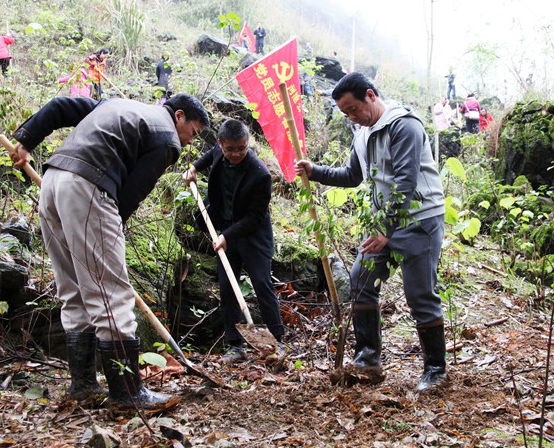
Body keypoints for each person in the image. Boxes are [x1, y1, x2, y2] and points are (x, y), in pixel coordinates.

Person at [9, 94, 210, 410]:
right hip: (88, 187)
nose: (189, 142)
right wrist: (111, 231)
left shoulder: (115, 105)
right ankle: (127, 393)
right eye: (193, 133)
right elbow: (130, 194)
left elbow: (60, 106)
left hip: (53, 182)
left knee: (74, 290)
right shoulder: (167, 138)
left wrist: (26, 141)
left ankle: (83, 385)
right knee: (111, 294)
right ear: (179, 116)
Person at [295, 72, 447, 392]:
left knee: (419, 293)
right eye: (345, 114)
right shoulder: (362, 133)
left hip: (420, 220)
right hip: (386, 224)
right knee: (361, 278)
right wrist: (315, 171)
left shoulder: (404, 126)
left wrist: (386, 231)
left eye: (354, 109)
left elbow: (405, 182)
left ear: (371, 96)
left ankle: (435, 369)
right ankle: (367, 359)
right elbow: (352, 175)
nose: (352, 117)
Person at [182, 119, 285, 364]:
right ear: (221, 144)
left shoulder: (260, 174)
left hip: (253, 236)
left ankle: (278, 342)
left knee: (262, 284)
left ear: (247, 143)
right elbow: (210, 155)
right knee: (227, 288)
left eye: (241, 148)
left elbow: (255, 217)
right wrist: (194, 167)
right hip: (225, 229)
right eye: (230, 149)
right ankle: (235, 346)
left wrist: (227, 236)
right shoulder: (219, 151)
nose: (236, 154)